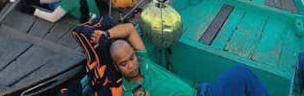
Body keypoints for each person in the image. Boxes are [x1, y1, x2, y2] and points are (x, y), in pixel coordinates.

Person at [86, 21, 270, 96]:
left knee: (241, 74)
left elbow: (130, 29)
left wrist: (106, 35)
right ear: (117, 68)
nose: (131, 65)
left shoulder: (143, 61)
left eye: (131, 58)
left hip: (202, 92)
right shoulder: (127, 90)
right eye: (123, 64)